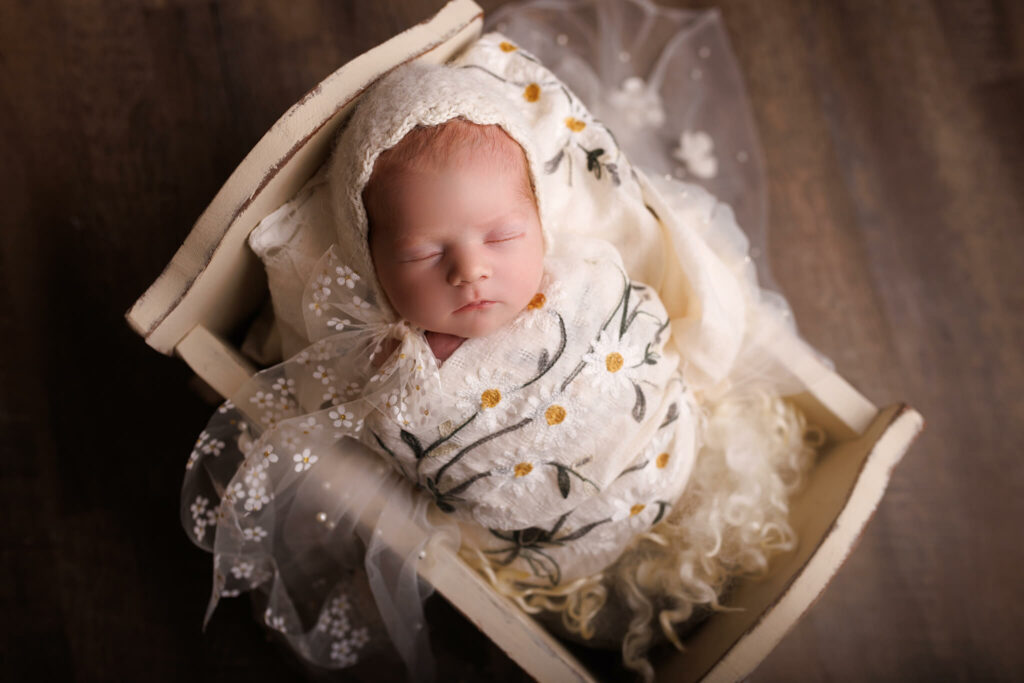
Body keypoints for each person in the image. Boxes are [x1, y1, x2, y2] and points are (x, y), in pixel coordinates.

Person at [182, 55, 815, 681]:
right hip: (557, 555)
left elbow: (652, 327)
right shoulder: (389, 369)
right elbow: (392, 453)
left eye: (503, 237)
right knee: (594, 608)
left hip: (667, 452)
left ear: (540, 223)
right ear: (370, 264)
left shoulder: (585, 276)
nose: (469, 270)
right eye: (424, 253)